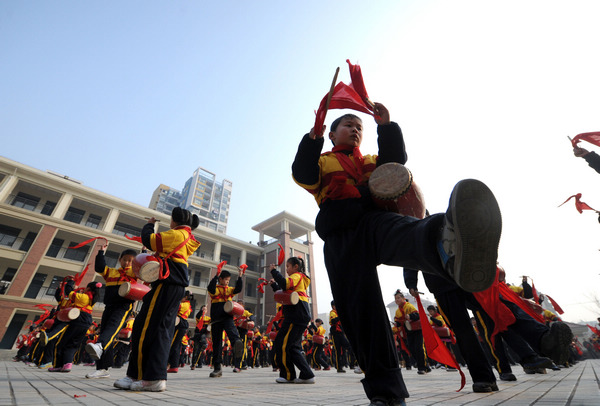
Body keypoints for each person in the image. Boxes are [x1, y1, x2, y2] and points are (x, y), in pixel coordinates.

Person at [292, 105, 502, 406]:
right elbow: (303, 173)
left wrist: (386, 127)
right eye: (349, 125)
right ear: (333, 133)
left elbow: (396, 165)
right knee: (362, 314)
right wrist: (313, 138)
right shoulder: (322, 161)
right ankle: (386, 393)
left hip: (374, 220)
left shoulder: (370, 161)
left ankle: (450, 244)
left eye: (359, 127)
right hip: (340, 232)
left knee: (409, 231)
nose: (355, 130)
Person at [113, 207, 200, 392]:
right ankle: (143, 375)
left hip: (166, 283)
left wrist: (150, 225)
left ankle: (148, 377)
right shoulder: (187, 237)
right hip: (171, 285)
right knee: (156, 329)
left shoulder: (177, 234)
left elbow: (150, 240)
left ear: (174, 221)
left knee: (146, 328)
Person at [85, 247, 138, 378]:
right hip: (109, 306)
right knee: (106, 333)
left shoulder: (134, 273)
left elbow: (144, 269)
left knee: (112, 329)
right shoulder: (111, 272)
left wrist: (143, 253)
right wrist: (101, 252)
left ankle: (99, 346)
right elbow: (99, 267)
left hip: (123, 306)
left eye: (130, 261)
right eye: (125, 260)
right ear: (120, 260)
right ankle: (103, 369)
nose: (127, 263)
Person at [269, 257, 315, 384]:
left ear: (295, 267)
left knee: (282, 343)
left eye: (288, 266)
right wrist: (274, 285)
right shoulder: (300, 279)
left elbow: (284, 284)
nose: (287, 269)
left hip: (296, 313)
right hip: (300, 313)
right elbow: (285, 292)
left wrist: (274, 271)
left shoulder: (296, 275)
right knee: (292, 346)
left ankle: (288, 375)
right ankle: (306, 374)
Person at [49, 282, 101, 372]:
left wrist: (69, 283)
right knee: (73, 345)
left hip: (78, 320)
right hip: (86, 322)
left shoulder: (84, 297)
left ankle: (58, 365)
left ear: (88, 288)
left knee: (61, 343)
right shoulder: (92, 299)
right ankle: (68, 364)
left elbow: (69, 293)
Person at [207, 267, 245, 377]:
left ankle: (237, 344)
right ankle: (217, 368)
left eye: (228, 280)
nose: (227, 282)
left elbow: (238, 289)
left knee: (233, 333)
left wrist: (240, 276)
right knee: (217, 344)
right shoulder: (215, 289)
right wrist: (215, 276)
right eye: (226, 280)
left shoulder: (229, 290)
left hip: (227, 317)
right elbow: (210, 288)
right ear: (220, 279)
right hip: (216, 319)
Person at [393, 291, 428, 375]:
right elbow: (399, 322)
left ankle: (422, 368)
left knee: (418, 348)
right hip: (408, 332)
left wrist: (410, 316)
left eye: (398, 298)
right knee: (411, 349)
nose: (397, 300)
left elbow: (417, 315)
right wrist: (396, 324)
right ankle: (424, 366)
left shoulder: (409, 306)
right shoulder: (397, 311)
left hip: (417, 330)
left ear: (403, 298)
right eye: (395, 298)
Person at [167, 291, 193, 372]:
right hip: (183, 323)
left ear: (185, 297)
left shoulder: (182, 304)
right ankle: (174, 365)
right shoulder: (188, 305)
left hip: (179, 322)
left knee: (173, 344)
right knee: (177, 345)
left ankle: (171, 364)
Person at [191, 305, 210, 370]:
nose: (204, 310)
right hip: (197, 334)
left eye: (205, 309)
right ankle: (193, 364)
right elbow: (197, 316)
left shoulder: (208, 318)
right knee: (195, 349)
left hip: (203, 335)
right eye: (203, 309)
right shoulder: (198, 317)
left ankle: (198, 363)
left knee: (201, 348)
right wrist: (201, 311)